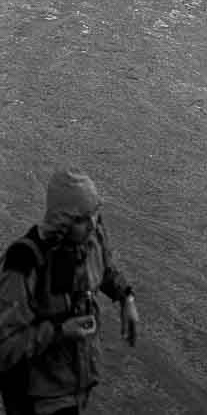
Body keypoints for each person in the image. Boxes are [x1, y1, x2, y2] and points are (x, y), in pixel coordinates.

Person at [0, 168, 139, 415]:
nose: (92, 224)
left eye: (95, 214)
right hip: (39, 399)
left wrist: (126, 297)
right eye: (81, 219)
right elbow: (6, 347)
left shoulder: (91, 237)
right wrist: (59, 332)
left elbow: (105, 269)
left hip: (77, 384)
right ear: (62, 220)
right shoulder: (24, 264)